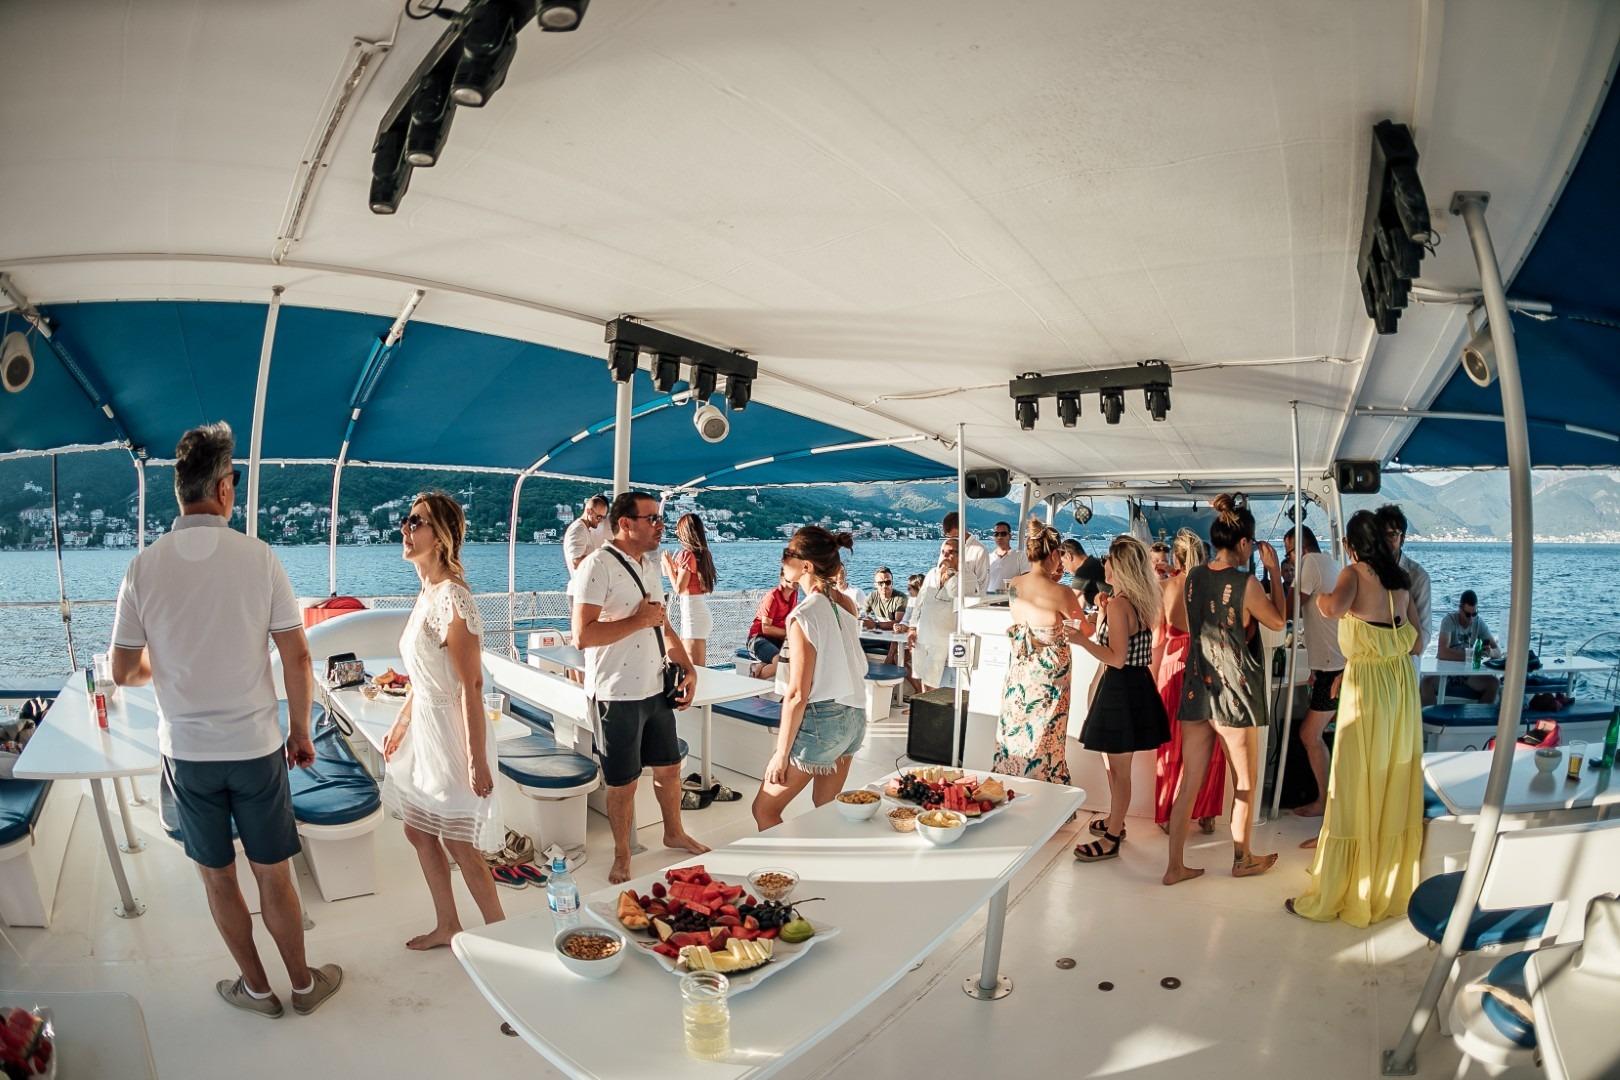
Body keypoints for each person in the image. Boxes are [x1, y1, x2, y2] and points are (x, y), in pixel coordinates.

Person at [110, 422, 341, 1017]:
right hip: (256, 748)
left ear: (180, 491)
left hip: (187, 755)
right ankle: (304, 985)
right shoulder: (258, 558)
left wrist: (171, 665)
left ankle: (257, 990)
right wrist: (299, 731)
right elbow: (298, 656)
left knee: (218, 878)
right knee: (274, 875)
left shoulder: (143, 568)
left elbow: (122, 671)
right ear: (223, 487)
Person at [381, 491, 505, 950]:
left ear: (442, 536)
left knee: (459, 842)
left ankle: (502, 934)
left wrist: (476, 760)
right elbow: (422, 675)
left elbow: (471, 684)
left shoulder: (453, 596)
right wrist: (401, 723)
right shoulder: (428, 592)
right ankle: (449, 923)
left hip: (453, 733)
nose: (406, 528)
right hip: (425, 728)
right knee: (418, 829)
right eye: (406, 520)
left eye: (416, 522)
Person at [1287, 510, 1423, 926]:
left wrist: (1324, 599)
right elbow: (1416, 642)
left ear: (1350, 545)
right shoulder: (1401, 581)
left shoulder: (1351, 574)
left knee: (1353, 777)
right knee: (1388, 777)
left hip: (1367, 688)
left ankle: (1342, 886)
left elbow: (1330, 609)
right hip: (1399, 688)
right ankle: (1384, 875)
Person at [572, 491, 707, 884]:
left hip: (653, 687)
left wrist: (688, 667)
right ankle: (622, 854)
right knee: (623, 782)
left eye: (660, 519)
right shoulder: (597, 566)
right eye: (652, 519)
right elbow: (582, 635)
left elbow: (661, 623)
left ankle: (674, 832)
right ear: (625, 523)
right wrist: (638, 620)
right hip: (615, 694)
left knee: (670, 768)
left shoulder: (648, 566)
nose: (660, 526)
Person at [1164, 493, 1286, 885]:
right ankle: (1242, 858)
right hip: (1234, 693)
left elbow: (1187, 622)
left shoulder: (1194, 577)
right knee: (1245, 783)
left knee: (1189, 783)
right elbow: (1278, 622)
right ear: (1245, 543)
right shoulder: (1246, 583)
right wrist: (1275, 574)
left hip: (1197, 687)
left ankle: (1174, 866)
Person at [752, 528, 868, 829]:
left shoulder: (803, 615)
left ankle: (787, 862)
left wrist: (781, 754)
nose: (782, 560)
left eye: (787, 554)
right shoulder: (846, 604)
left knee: (764, 809)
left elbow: (796, 694)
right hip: (855, 716)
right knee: (826, 808)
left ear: (806, 566)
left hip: (823, 721)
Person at [1073, 536, 1171, 861]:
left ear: (1118, 567)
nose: (1104, 564)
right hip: (1135, 686)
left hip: (1119, 688)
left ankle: (1113, 835)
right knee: (1119, 768)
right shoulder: (1137, 601)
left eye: (1109, 560)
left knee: (1118, 770)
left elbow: (1115, 658)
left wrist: (1081, 640)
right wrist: (1104, 612)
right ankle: (1116, 821)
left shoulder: (1120, 605)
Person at [993, 526, 1079, 784]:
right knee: (1047, 734)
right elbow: (1084, 628)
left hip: (1020, 672)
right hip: (1049, 677)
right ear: (1053, 554)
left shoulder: (1015, 584)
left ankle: (1010, 781)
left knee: (1016, 728)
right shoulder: (1062, 593)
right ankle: (1046, 788)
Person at [1153, 529, 1224, 834]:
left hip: (1174, 664)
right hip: (1206, 663)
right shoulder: (1214, 587)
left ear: (1176, 558)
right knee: (1209, 744)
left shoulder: (1165, 587)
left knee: (1170, 742)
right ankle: (1206, 813)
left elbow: (1157, 637)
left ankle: (1170, 814)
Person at [1291, 526, 1345, 818]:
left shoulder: (1310, 562)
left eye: (1290, 553)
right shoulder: (1328, 563)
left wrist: (1277, 575)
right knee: (1314, 734)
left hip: (1333, 669)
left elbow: (1290, 608)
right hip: (1330, 666)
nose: (1291, 559)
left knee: (1309, 734)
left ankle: (1325, 802)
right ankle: (1328, 800)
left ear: (1301, 548)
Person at [661, 513, 717, 668]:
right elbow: (690, 582)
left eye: (678, 530)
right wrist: (674, 568)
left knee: (695, 669)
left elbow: (679, 588)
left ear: (685, 532)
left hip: (693, 616)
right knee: (693, 668)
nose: (677, 534)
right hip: (696, 613)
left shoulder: (687, 554)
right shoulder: (702, 555)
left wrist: (668, 565)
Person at [911, 537, 961, 690]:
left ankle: (926, 704)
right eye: (943, 552)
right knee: (920, 676)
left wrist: (949, 577)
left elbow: (955, 595)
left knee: (931, 680)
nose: (945, 555)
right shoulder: (932, 573)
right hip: (922, 634)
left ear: (960, 555)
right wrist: (912, 627)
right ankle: (922, 702)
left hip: (941, 638)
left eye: (951, 552)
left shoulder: (964, 578)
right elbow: (919, 601)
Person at [1436, 590, 1501, 702]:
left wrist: (1490, 652)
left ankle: (1478, 713)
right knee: (1425, 683)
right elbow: (1442, 652)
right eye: (1467, 615)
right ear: (1460, 609)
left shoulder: (1479, 623)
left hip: (1466, 674)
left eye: (1474, 614)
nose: (1471, 619)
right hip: (1446, 672)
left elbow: (1498, 651)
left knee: (1494, 684)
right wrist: (1471, 655)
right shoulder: (1449, 621)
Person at [745, 571, 799, 668]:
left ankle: (762, 665)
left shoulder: (794, 594)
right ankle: (756, 673)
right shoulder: (773, 596)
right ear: (782, 577)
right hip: (758, 639)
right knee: (780, 661)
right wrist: (789, 633)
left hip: (777, 639)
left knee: (802, 656)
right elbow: (766, 628)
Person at [562, 494, 609, 588]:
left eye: (603, 518)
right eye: (599, 517)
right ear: (589, 511)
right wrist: (603, 559)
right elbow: (576, 561)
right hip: (580, 590)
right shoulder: (578, 530)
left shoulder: (584, 529)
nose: (600, 521)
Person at [941, 511, 989, 597]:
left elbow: (982, 584)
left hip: (970, 601)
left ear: (964, 528)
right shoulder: (946, 545)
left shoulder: (980, 550)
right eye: (949, 537)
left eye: (956, 536)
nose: (952, 540)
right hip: (946, 599)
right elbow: (941, 570)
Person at [1059, 538, 1105, 607]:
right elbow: (1080, 600)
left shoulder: (1084, 569)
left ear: (1069, 556)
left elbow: (1070, 599)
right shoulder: (1093, 562)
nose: (1064, 568)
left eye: (1062, 562)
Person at [986, 521, 1029, 593]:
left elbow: (1027, 579)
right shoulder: (988, 558)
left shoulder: (1020, 556)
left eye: (1003, 534)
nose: (999, 537)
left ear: (1009, 536)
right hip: (990, 598)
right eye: (996, 534)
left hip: (1011, 598)